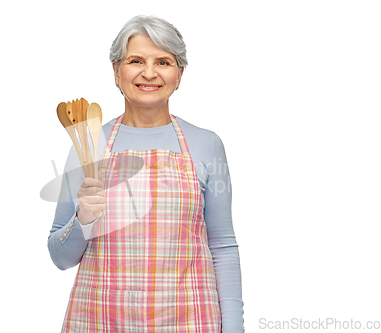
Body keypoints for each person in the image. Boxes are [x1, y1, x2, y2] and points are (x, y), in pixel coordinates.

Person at [48, 15, 244, 333]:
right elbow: (60, 257)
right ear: (116, 71)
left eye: (163, 62)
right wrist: (83, 217)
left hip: (189, 319)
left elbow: (222, 244)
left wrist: (234, 328)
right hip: (99, 319)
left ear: (179, 74)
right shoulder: (88, 144)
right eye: (135, 60)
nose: (149, 73)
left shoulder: (207, 145)